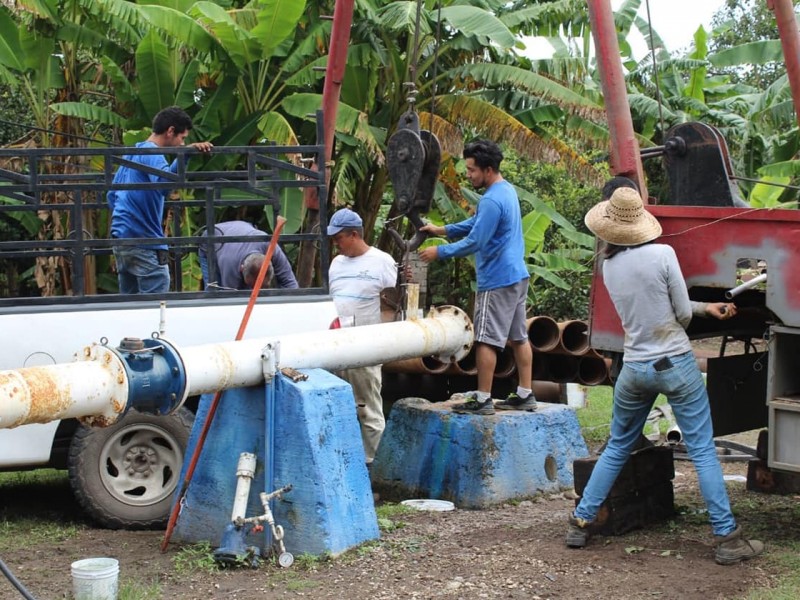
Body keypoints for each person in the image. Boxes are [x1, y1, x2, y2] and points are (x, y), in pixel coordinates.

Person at [567, 186, 764, 566]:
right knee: (703, 449)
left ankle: (580, 521)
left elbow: (659, 306)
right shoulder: (663, 253)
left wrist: (708, 307)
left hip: (634, 369)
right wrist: (702, 310)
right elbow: (680, 315)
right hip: (674, 364)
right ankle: (727, 537)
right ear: (641, 221)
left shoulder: (609, 266)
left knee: (618, 446)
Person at [418, 139, 533, 415]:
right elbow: (476, 223)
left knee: (485, 339)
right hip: (517, 276)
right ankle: (525, 394)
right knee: (519, 337)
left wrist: (440, 252)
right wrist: (442, 230)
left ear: (488, 169)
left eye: (472, 170)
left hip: (497, 279)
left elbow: (476, 240)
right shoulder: (505, 191)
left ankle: (483, 399)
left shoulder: (493, 199)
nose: (468, 175)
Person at [107, 106, 213, 294]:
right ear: (170, 131)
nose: (182, 143)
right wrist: (185, 155)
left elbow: (111, 196)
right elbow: (165, 186)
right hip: (143, 240)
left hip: (121, 238)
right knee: (158, 296)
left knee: (128, 305)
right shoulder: (152, 152)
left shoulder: (133, 152)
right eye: (182, 138)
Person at [327, 208, 397, 464]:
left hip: (365, 345)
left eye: (339, 238)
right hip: (337, 345)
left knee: (368, 408)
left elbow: (391, 306)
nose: (336, 244)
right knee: (340, 407)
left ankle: (372, 465)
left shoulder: (382, 262)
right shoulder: (336, 264)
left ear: (354, 235)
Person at [198, 220, 298, 290]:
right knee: (214, 289)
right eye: (251, 284)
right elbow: (229, 298)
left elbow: (290, 283)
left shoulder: (271, 247)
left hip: (241, 229)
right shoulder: (229, 264)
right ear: (241, 268)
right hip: (210, 242)